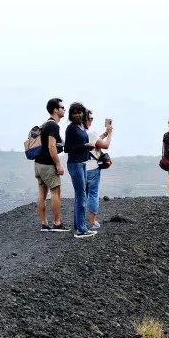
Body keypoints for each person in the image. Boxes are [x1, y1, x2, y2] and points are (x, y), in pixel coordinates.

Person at [34, 98, 69, 232]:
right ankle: (57, 223)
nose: (64, 110)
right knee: (55, 192)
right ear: (55, 109)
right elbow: (51, 146)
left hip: (38, 164)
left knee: (42, 193)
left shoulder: (45, 124)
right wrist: (58, 165)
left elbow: (60, 142)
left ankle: (44, 223)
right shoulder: (54, 125)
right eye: (62, 107)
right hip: (48, 165)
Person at [64, 102, 97, 238]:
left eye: (80, 112)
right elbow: (67, 149)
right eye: (75, 112)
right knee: (81, 196)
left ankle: (79, 227)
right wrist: (84, 146)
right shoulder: (71, 128)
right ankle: (81, 229)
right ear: (71, 115)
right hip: (75, 164)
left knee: (81, 195)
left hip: (82, 163)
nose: (78, 115)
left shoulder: (81, 126)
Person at [85, 110, 112, 229]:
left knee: (82, 195)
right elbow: (105, 145)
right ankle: (93, 222)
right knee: (93, 194)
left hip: (82, 168)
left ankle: (80, 220)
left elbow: (95, 141)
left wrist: (104, 134)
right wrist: (110, 134)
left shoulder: (80, 133)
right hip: (93, 168)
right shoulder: (91, 133)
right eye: (90, 118)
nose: (91, 121)